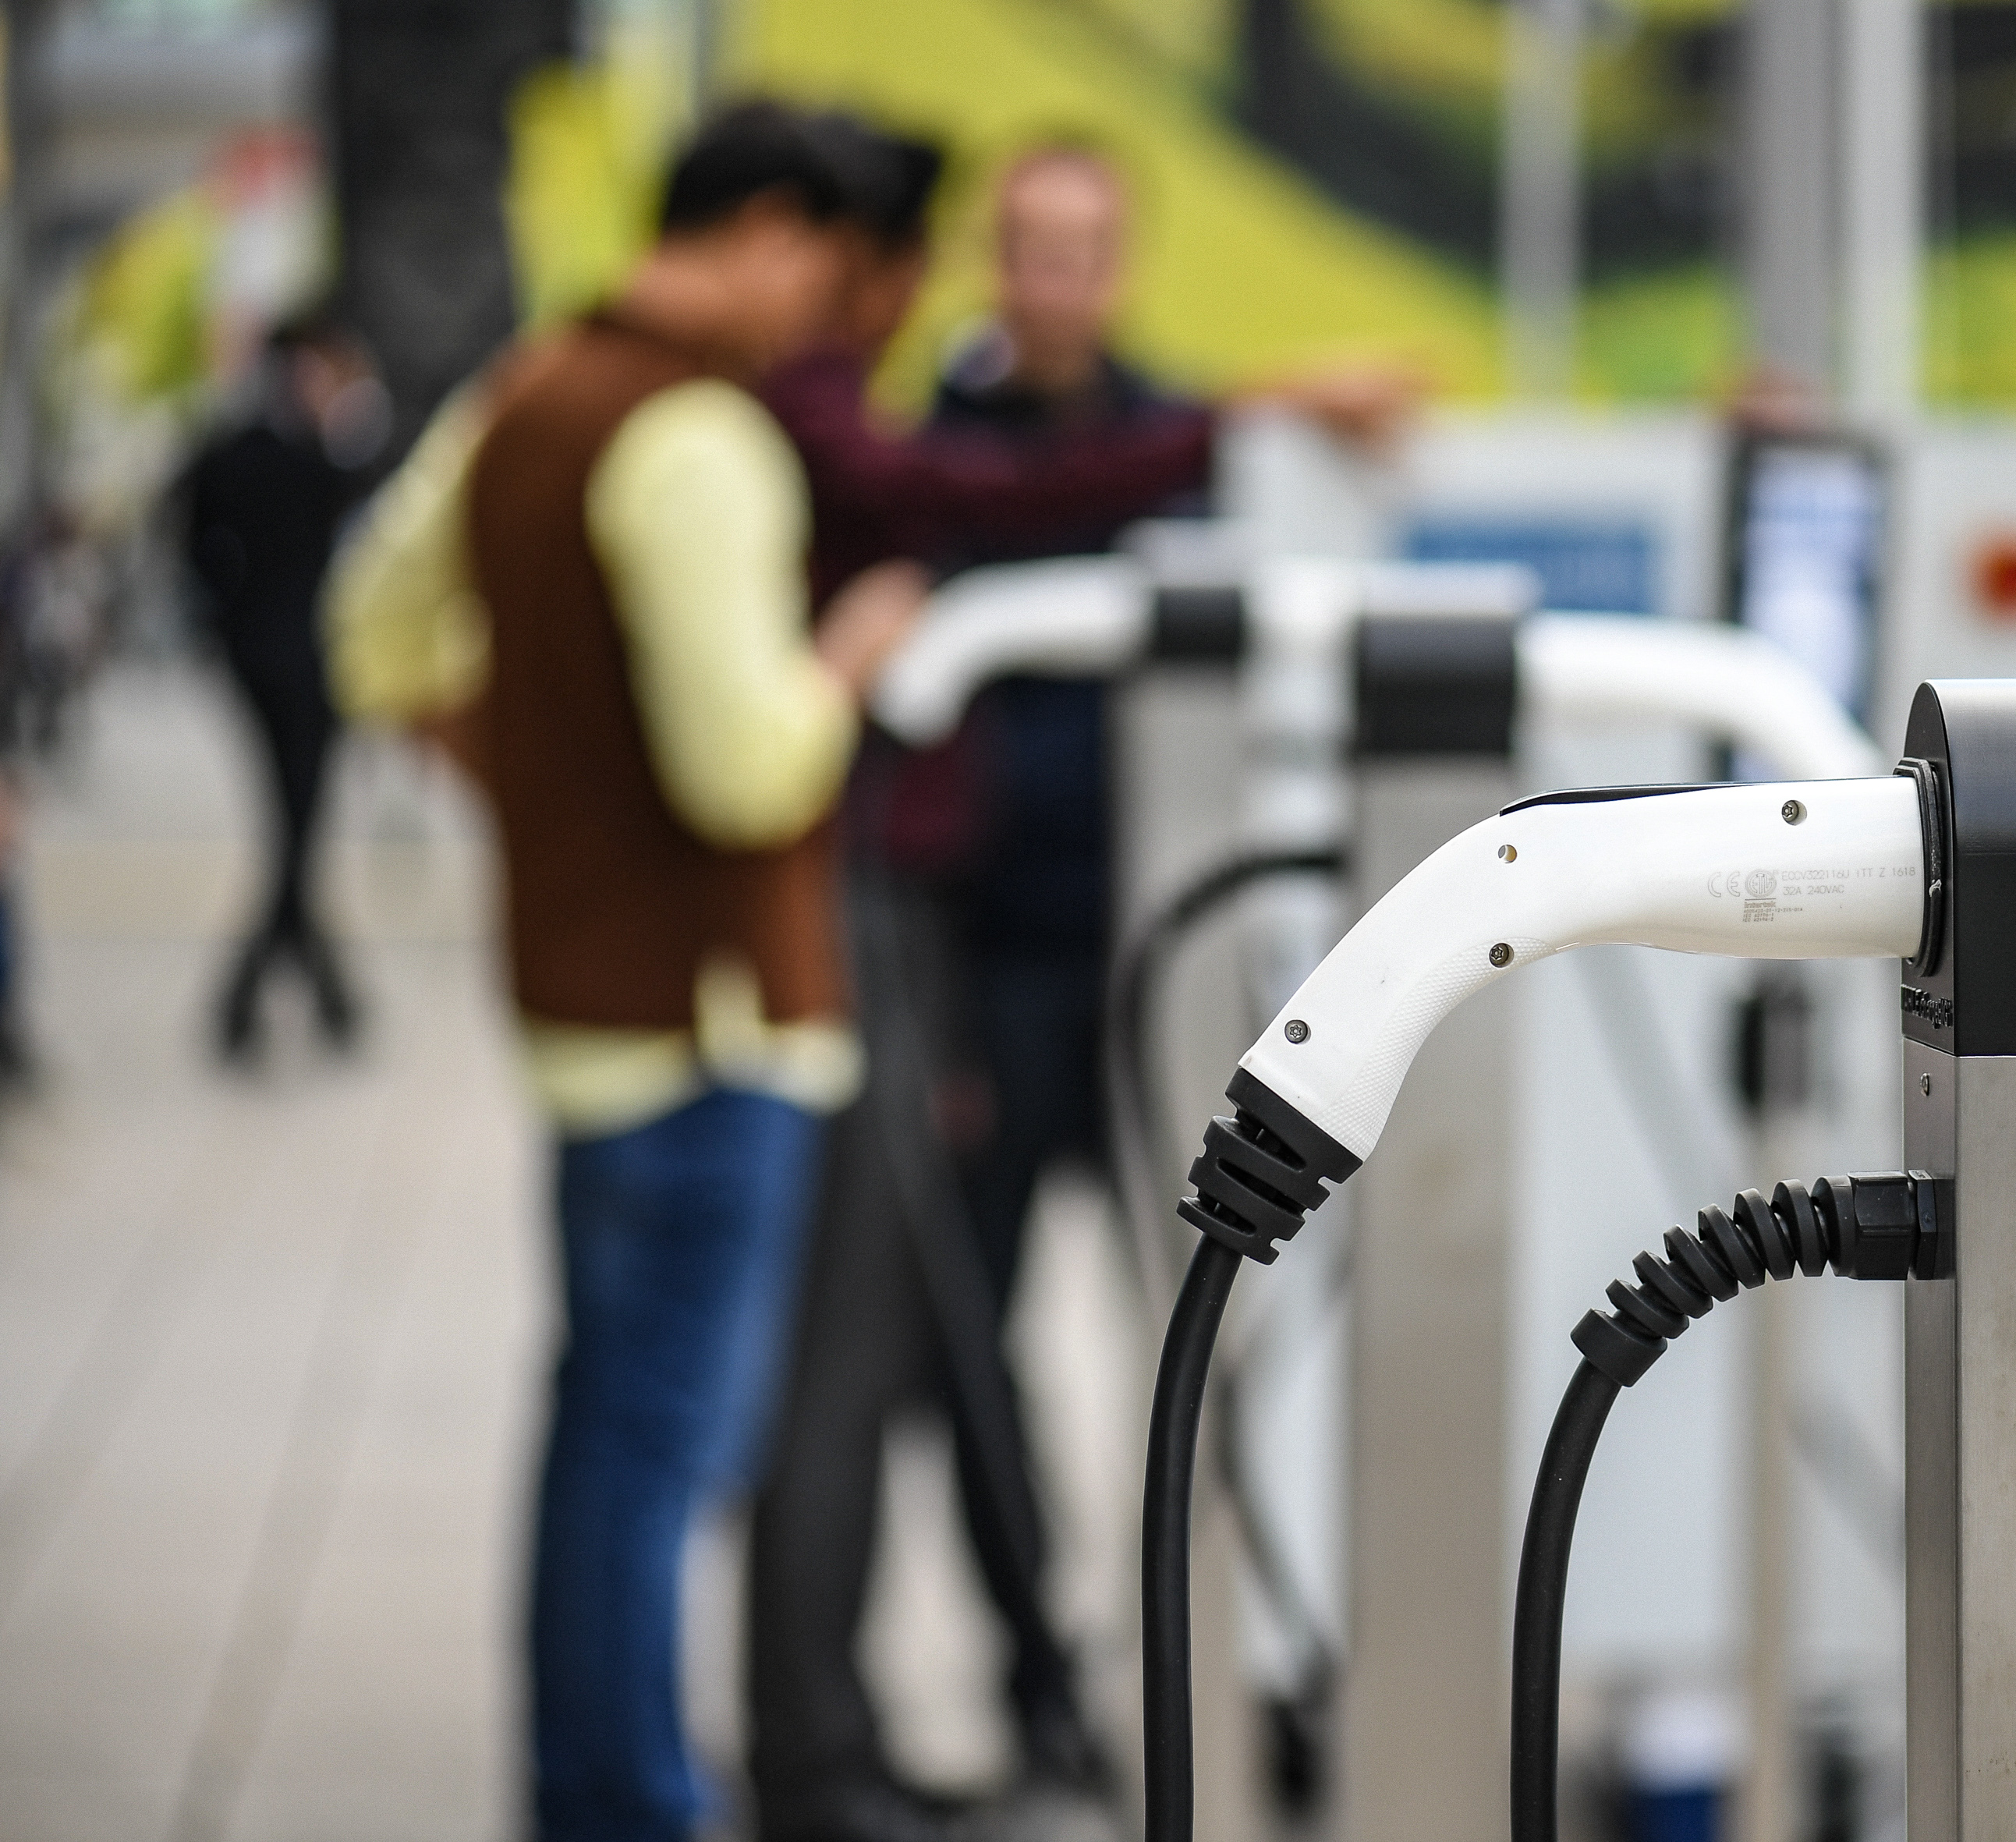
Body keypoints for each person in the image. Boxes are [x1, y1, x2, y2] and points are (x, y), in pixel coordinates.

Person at [742, 131, 1411, 1842]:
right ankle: (1038, 1674)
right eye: (1026, 244)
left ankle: (1218, 1676)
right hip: (976, 966)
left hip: (1165, 952)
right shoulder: (931, 459)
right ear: (989, 258)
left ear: (1122, 259)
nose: (1053, 276)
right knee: (966, 1344)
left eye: (1084, 245)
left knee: (1207, 1325)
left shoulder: (1182, 452)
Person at [324, 103, 927, 1842]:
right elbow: (749, 766)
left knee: (603, 1430)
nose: (832, 306)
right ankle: (635, 1802)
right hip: (710, 1015)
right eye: (824, 259)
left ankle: (587, 1787)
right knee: (656, 1449)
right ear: (760, 226)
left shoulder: (525, 389)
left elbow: (374, 635)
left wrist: (534, 771)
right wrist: (846, 653)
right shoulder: (695, 436)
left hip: (582, 1003)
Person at [179, 313, 387, 1061]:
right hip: (302, 666)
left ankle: (327, 1000)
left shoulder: (244, 452)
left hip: (269, 659)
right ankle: (251, 1002)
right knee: (298, 828)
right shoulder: (307, 459)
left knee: (296, 827)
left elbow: (196, 552)